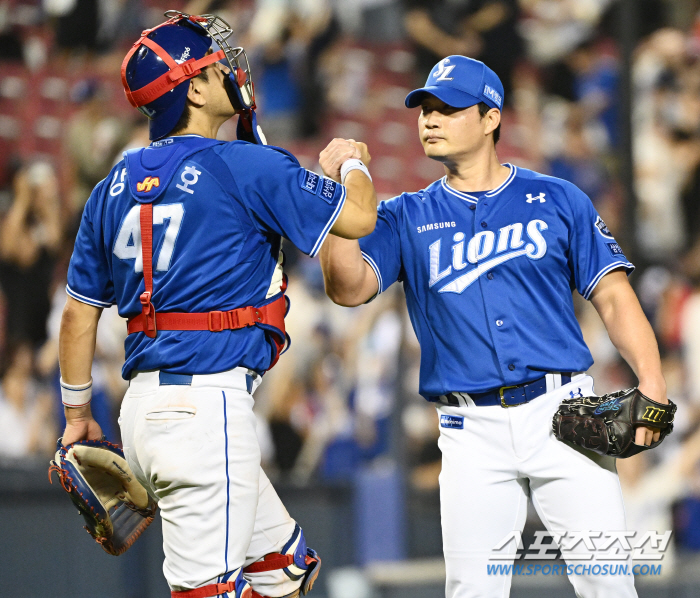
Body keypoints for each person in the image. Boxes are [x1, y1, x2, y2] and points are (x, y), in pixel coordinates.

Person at [319, 55, 669, 598]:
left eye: (449, 109)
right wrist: (340, 196)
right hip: (469, 429)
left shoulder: (557, 198)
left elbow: (615, 296)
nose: (430, 119)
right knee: (472, 592)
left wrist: (652, 381)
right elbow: (347, 289)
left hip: (563, 415)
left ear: (491, 119)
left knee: (610, 586)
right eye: (425, 109)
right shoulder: (406, 214)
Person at [58, 11, 376, 598]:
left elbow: (79, 313)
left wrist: (77, 418)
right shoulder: (244, 165)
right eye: (214, 64)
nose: (232, 70)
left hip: (143, 416)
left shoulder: (112, 184)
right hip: (208, 411)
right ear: (195, 87)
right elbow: (359, 217)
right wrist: (350, 164)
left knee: (284, 572)